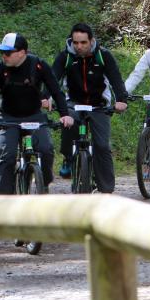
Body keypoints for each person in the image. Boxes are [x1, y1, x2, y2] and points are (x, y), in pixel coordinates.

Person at [0, 32, 74, 194]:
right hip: (8, 117)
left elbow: (56, 91)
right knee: (8, 158)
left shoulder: (38, 65)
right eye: (2, 52)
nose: (4, 56)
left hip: (34, 116)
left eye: (8, 53)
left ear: (22, 52)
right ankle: (3, 201)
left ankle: (44, 181)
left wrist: (64, 114)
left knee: (46, 149)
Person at [51, 23, 128, 192]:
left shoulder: (103, 56)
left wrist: (122, 100)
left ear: (91, 41)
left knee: (102, 146)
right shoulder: (66, 57)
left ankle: (106, 189)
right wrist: (45, 97)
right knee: (68, 122)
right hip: (73, 102)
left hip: (98, 105)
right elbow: (52, 79)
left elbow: (116, 79)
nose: (79, 46)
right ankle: (68, 157)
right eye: (76, 42)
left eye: (83, 43)